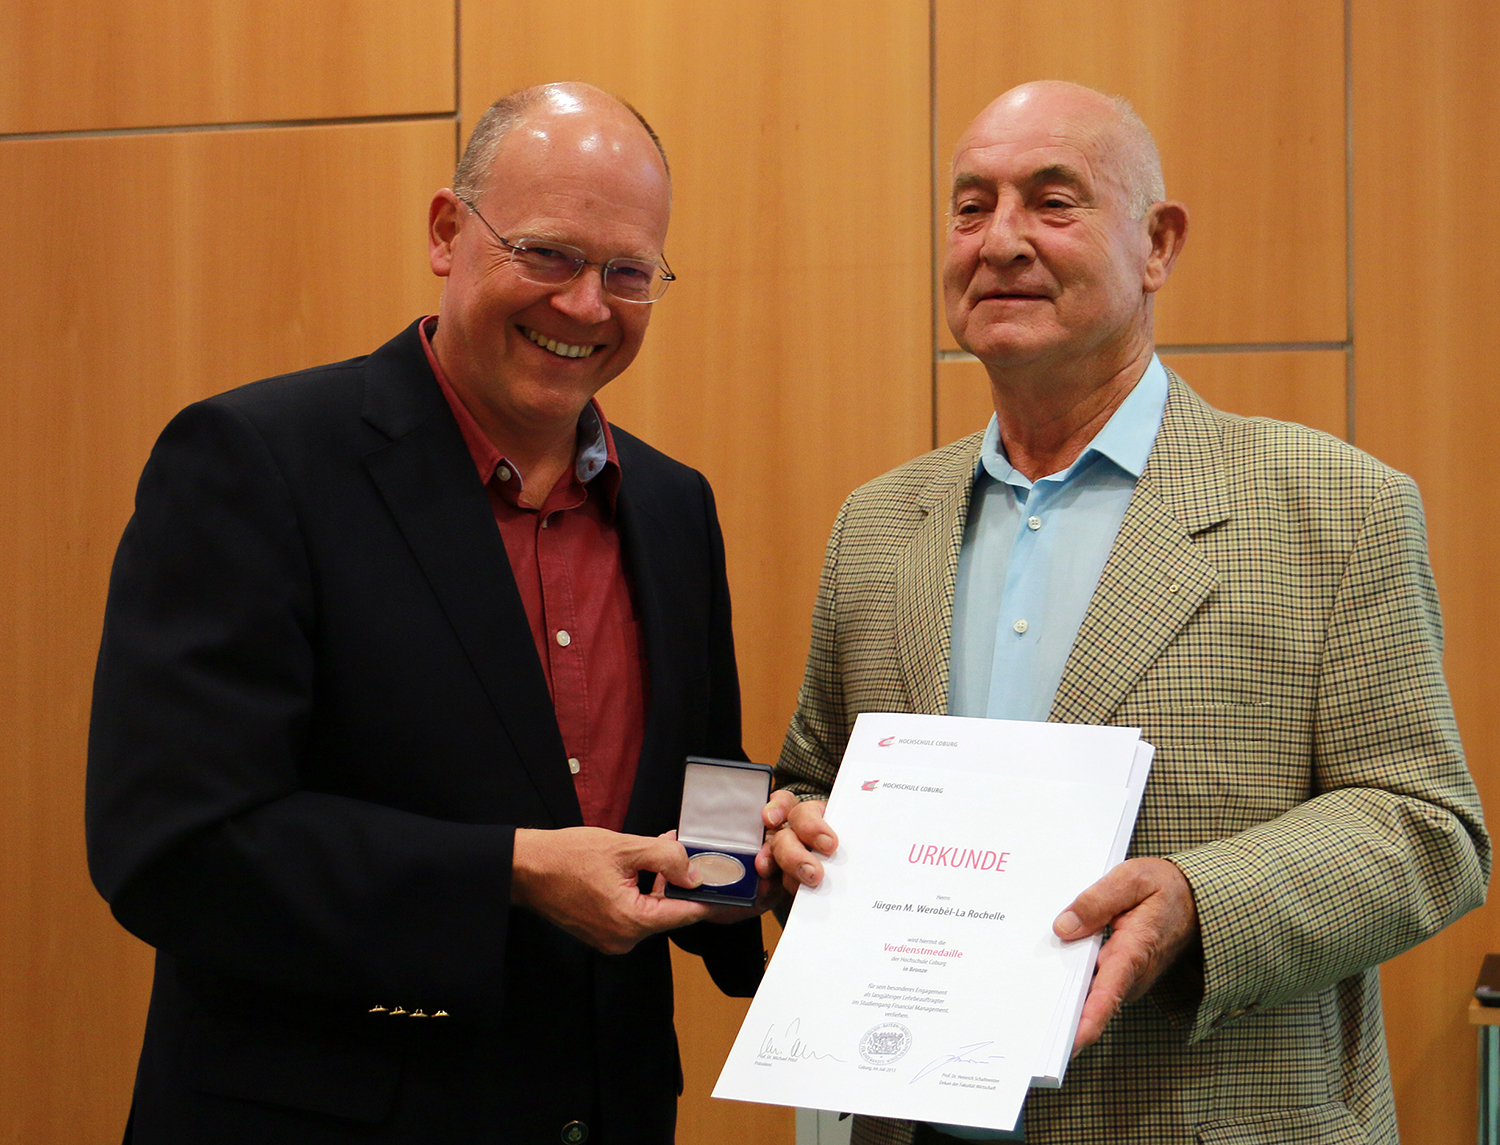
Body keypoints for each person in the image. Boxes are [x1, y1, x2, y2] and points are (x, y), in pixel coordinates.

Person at [760, 80, 1488, 1145]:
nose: (1000, 240)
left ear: (1158, 243)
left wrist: (1200, 899)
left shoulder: (1335, 505)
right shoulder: (876, 524)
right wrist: (795, 832)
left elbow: (1430, 830)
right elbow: (811, 773)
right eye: (971, 206)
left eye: (1052, 202)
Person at [86, 82, 764, 1145]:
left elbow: (697, 787)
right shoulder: (255, 463)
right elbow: (171, 847)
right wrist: (515, 872)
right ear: (448, 233)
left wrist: (765, 856)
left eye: (627, 271)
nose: (587, 304)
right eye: (546, 254)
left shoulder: (674, 505)